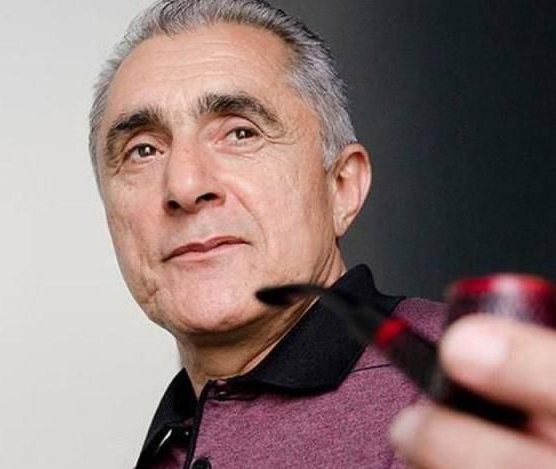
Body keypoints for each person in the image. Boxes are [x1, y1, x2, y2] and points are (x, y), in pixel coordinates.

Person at [87, 1, 556, 467]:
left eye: (241, 133)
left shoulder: (481, 389)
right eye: (142, 150)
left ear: (342, 187)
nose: (185, 186)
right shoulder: (173, 441)